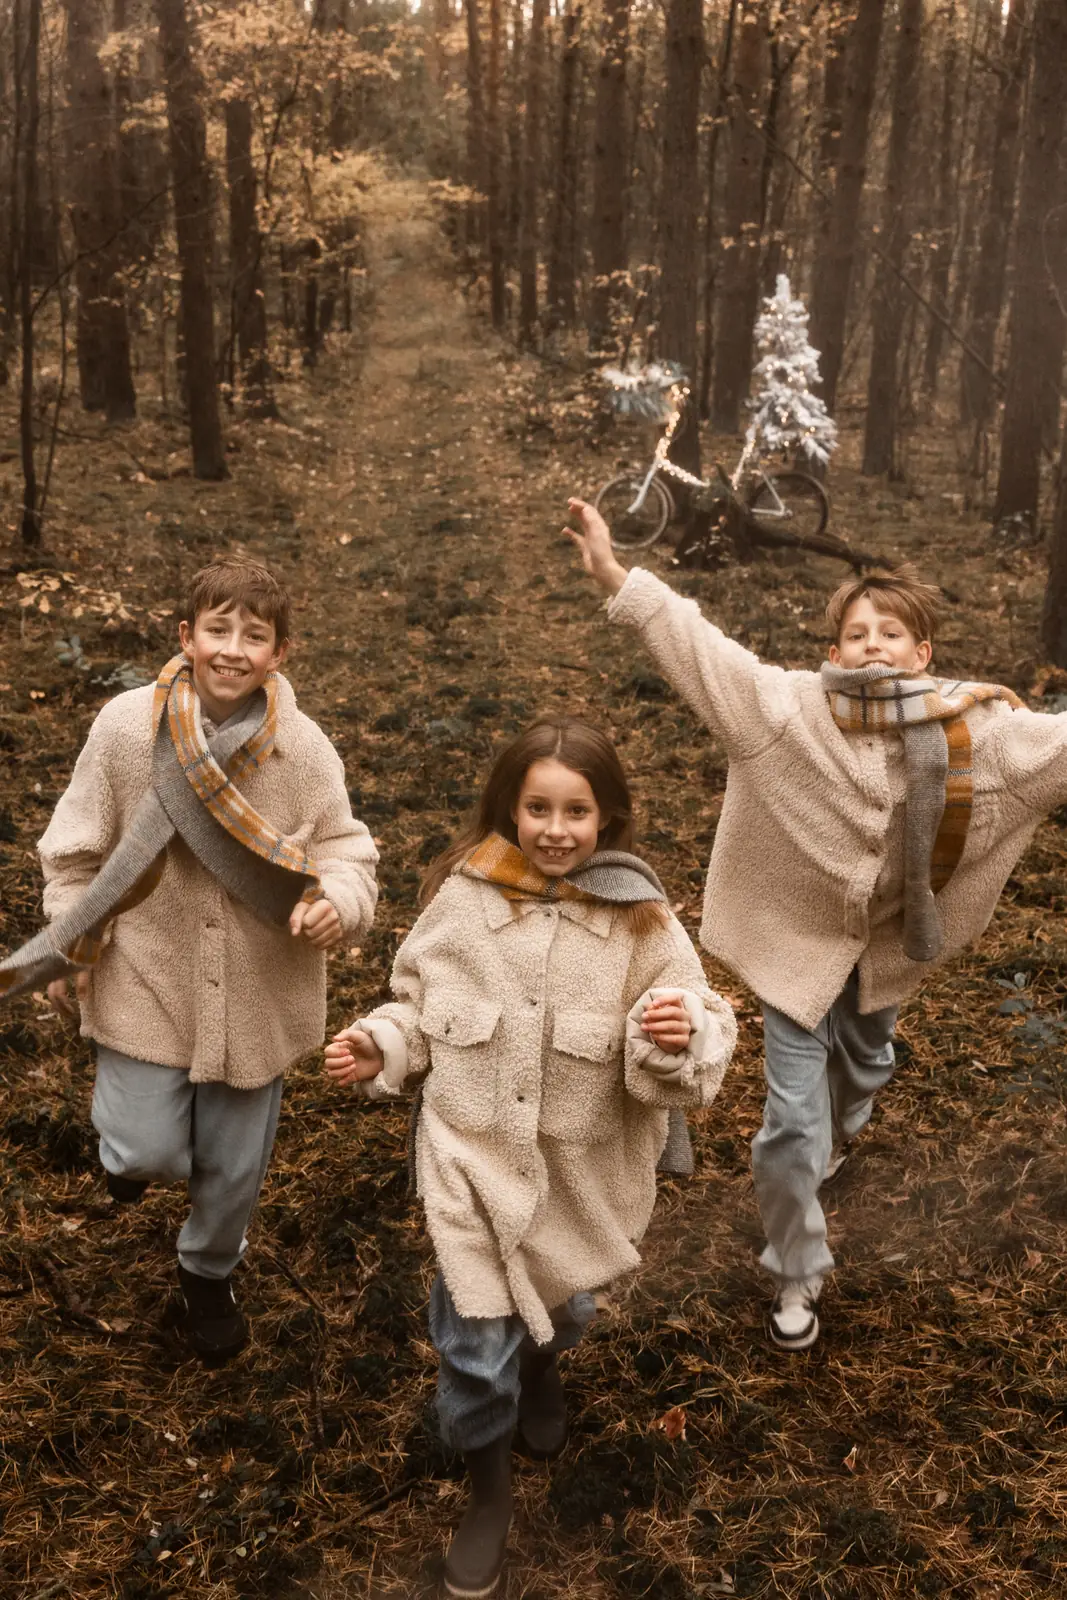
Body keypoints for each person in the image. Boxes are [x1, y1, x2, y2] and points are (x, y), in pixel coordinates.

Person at [565, 499, 1064, 1354]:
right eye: (857, 633)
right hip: (793, 952)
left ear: (923, 653)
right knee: (791, 1123)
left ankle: (840, 1130)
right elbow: (699, 648)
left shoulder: (973, 731)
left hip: (883, 956)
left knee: (861, 1074)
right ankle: (795, 1265)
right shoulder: (784, 711)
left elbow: (1053, 749)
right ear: (831, 653)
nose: (874, 645)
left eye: (892, 633)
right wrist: (617, 575)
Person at [325, 718, 735, 1599]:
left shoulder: (640, 917)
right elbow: (415, 1005)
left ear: (606, 817)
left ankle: (545, 1362)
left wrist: (678, 1033)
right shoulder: (463, 902)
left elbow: (699, 1014)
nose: (555, 829)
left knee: (566, 1305)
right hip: (471, 1160)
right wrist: (379, 1046)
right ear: (509, 809)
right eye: (537, 807)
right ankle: (489, 1496)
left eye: (576, 811)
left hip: (580, 1177)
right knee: (472, 1344)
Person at [2, 557, 378, 1363]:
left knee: (233, 1164)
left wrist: (336, 903)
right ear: (186, 636)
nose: (233, 649)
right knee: (145, 1146)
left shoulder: (304, 751)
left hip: (259, 990)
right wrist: (70, 939)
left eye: (255, 635)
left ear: (281, 652)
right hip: (146, 976)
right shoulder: (122, 729)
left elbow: (350, 852)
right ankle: (131, 1160)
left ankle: (208, 1272)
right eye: (218, 630)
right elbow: (73, 854)